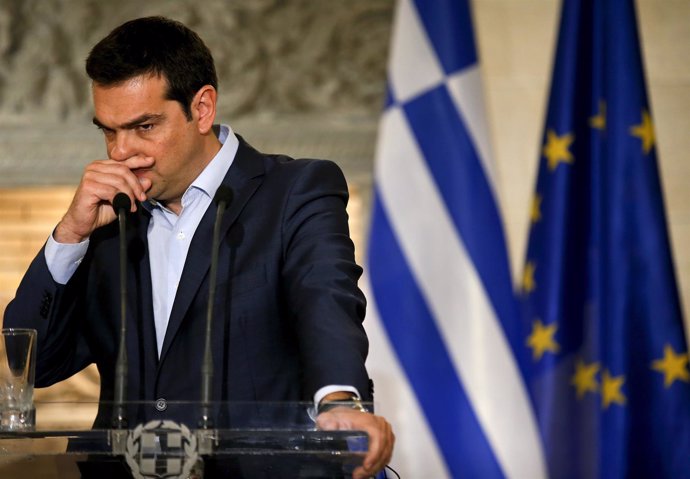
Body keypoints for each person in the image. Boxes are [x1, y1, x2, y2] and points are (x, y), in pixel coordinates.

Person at [3, 16, 393, 478]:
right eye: (108, 131)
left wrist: (340, 400)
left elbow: (325, 301)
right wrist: (70, 233)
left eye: (144, 126)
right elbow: (36, 364)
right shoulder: (109, 220)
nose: (121, 152)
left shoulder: (295, 190)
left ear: (202, 108)